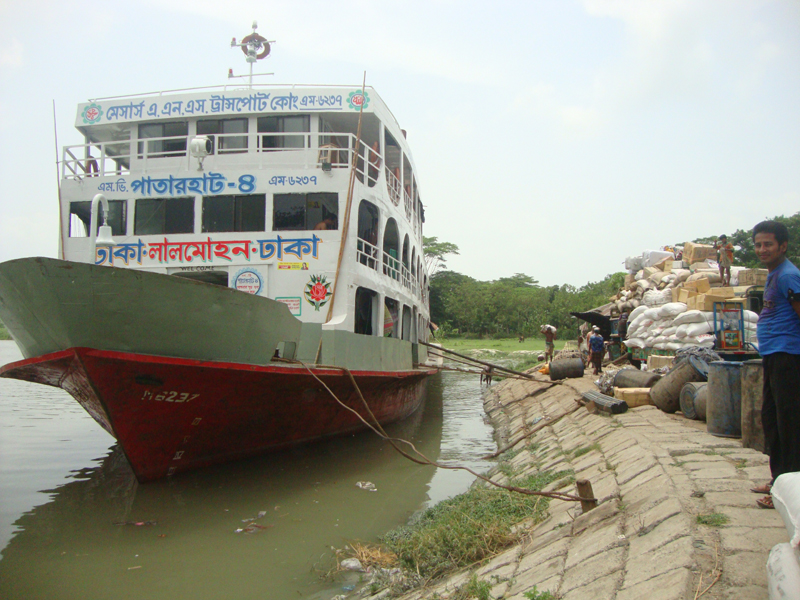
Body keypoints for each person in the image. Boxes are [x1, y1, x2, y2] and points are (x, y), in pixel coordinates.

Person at [749, 221, 800, 509]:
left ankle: (789, 494)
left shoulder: (789, 276)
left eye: (768, 244)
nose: (762, 249)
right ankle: (778, 480)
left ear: (782, 246)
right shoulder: (773, 275)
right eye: (758, 244)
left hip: (788, 356)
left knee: (790, 425)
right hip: (774, 355)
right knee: (773, 421)